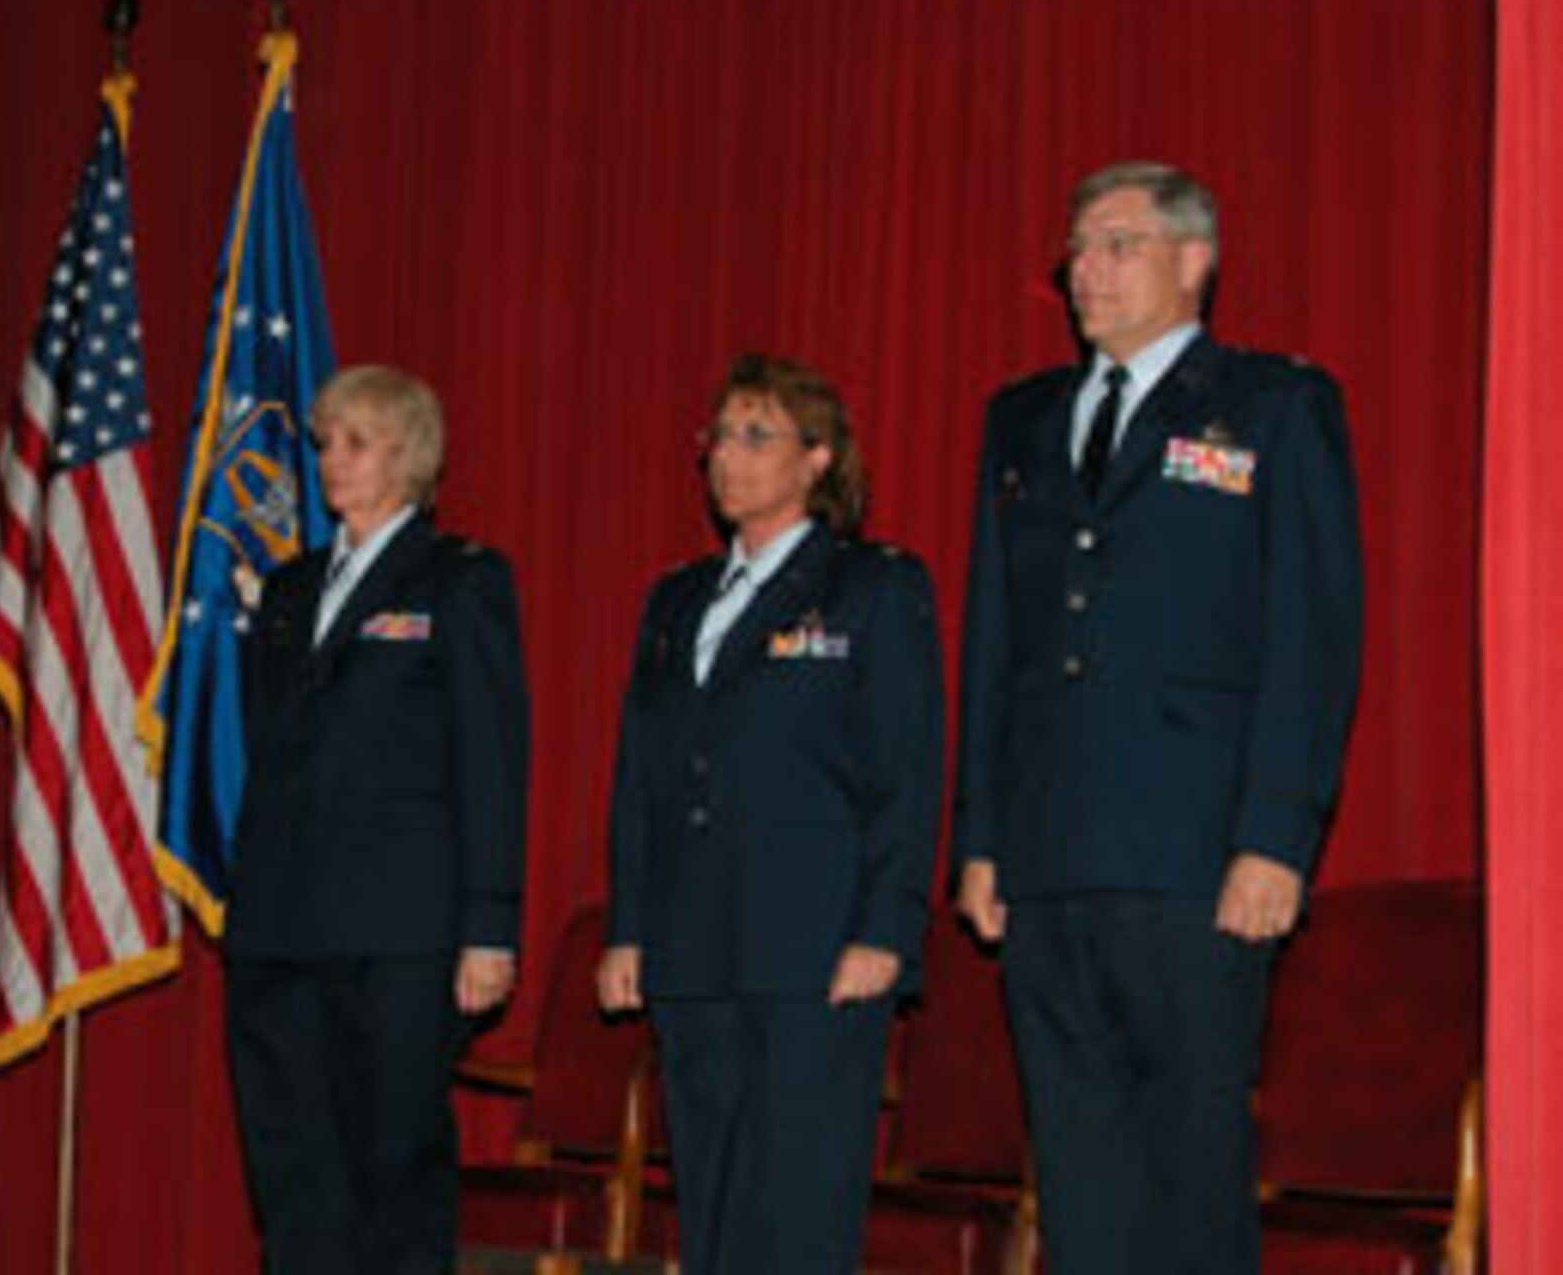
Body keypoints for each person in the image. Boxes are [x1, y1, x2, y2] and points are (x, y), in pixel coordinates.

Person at [953, 162, 1364, 1274]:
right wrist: (981, 836)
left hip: (1194, 851)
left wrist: (1274, 834)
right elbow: (997, 640)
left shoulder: (1271, 406)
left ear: (1194, 262)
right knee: (1079, 1163)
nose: (1085, 269)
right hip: (1046, 850)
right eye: (1077, 249)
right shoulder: (1023, 420)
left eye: (1117, 244)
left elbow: (1309, 636)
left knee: (1188, 1160)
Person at [596, 353, 944, 1274]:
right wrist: (631, 927)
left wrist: (885, 930)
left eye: (759, 435)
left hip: (817, 947)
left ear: (818, 458)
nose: (729, 456)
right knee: (710, 1204)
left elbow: (907, 774)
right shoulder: (676, 600)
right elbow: (640, 778)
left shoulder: (872, 587)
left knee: (797, 1212)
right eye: (719, 436)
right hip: (694, 941)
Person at [223, 364, 530, 1274]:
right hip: (281, 925)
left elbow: (491, 760)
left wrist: (489, 925)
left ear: (409, 454)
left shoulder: (457, 582)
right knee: (294, 1171)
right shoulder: (288, 590)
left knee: (393, 1167)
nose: (330, 461)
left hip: (400, 931)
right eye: (325, 441)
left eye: (354, 441)